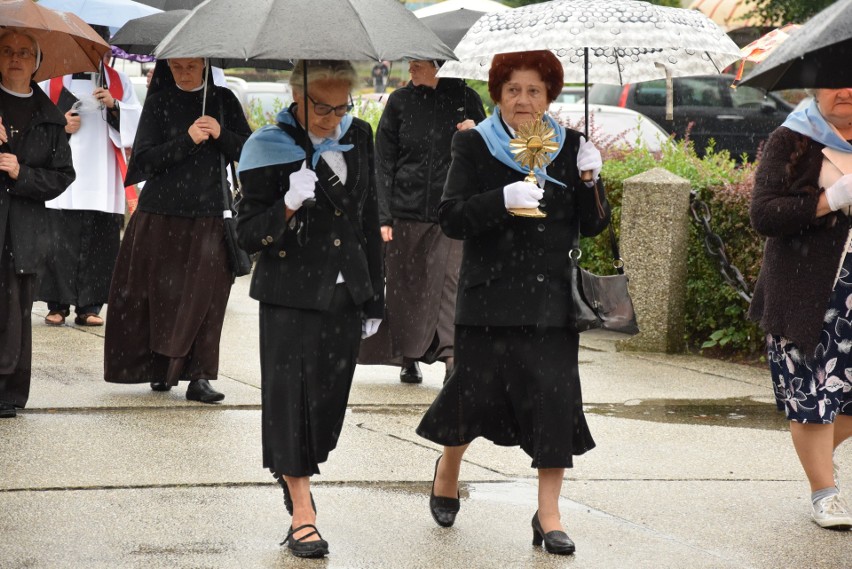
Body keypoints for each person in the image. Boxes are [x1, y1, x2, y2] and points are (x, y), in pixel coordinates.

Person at [415, 50, 608, 555]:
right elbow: (452, 217)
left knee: (554, 401)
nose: (524, 100)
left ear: (549, 96)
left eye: (535, 91)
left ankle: (548, 515)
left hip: (550, 300)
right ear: (498, 94)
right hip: (488, 299)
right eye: (514, 90)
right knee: (471, 395)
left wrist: (590, 181)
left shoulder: (572, 145)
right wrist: (501, 200)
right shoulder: (473, 144)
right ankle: (449, 469)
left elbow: (593, 225)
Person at [236, 59, 383, 558]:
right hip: (289, 294)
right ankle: (303, 511)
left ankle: (294, 467)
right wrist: (288, 206)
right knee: (290, 402)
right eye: (322, 107)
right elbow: (247, 233)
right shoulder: (266, 147)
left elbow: (368, 217)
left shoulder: (358, 136)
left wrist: (374, 295)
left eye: (343, 105)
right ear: (297, 97)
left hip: (345, 291)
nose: (333, 117)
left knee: (324, 407)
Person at [103, 58, 251, 403]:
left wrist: (220, 133)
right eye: (177, 66)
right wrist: (186, 140)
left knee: (208, 298)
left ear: (204, 64)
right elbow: (143, 161)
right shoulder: (159, 103)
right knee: (160, 295)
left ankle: (200, 376)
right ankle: (161, 369)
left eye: (190, 65)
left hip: (211, 211)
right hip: (161, 213)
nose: (183, 72)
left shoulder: (224, 100)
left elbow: (248, 150)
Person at [749, 88, 852, 530]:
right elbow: (764, 214)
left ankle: (816, 459)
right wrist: (830, 199)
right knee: (812, 397)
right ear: (815, 88)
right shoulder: (792, 138)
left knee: (845, 401)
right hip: (806, 295)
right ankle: (823, 493)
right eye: (834, 81)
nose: (845, 90)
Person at [359, 59, 486, 384]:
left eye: (419, 62)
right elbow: (383, 163)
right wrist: (383, 216)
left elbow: (490, 153)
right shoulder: (400, 102)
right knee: (406, 288)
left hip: (452, 211)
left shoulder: (467, 99)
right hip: (405, 212)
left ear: (438, 66)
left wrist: (477, 134)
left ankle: (452, 360)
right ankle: (409, 356)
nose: (411, 67)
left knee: (449, 285)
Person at [38, 27, 143, 327]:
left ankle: (90, 306)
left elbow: (137, 122)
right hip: (65, 173)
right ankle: (57, 304)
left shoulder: (119, 82)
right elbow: (40, 121)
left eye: (99, 46)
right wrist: (61, 125)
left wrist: (115, 106)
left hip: (102, 171)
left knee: (100, 240)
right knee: (58, 240)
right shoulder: (53, 80)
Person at [0, 30, 75, 418]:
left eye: (24, 53)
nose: (16, 58)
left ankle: (8, 391)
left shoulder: (50, 119)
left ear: (36, 62)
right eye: (8, 50)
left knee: (15, 311)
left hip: (25, 229)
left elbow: (63, 176)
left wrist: (21, 171)